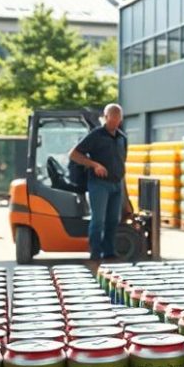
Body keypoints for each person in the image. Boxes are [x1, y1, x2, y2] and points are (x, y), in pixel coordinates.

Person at [69, 103, 128, 261]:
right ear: (106, 117)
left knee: (113, 220)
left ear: (120, 119)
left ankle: (109, 252)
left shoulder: (122, 138)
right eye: (111, 119)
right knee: (98, 220)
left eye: (117, 119)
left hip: (117, 184)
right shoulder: (96, 135)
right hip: (99, 184)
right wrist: (95, 165)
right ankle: (95, 253)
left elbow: (122, 161)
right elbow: (74, 154)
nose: (114, 122)